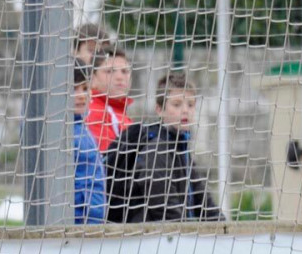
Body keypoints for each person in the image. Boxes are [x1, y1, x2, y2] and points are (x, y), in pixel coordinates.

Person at [105, 73, 222, 223]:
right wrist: (191, 234)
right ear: (159, 110)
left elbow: (203, 201)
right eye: (177, 104)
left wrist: (224, 230)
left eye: (190, 104)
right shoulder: (157, 149)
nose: (185, 110)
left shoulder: (181, 148)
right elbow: (165, 208)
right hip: (149, 239)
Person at [72, 61, 107, 224]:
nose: (80, 95)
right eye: (73, 89)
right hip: (79, 220)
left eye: (85, 89)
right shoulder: (64, 133)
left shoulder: (83, 128)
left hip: (94, 217)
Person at [87, 46, 133, 153]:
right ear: (92, 79)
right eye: (110, 71)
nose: (119, 77)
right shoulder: (96, 113)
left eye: (125, 71)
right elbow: (108, 162)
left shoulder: (117, 111)